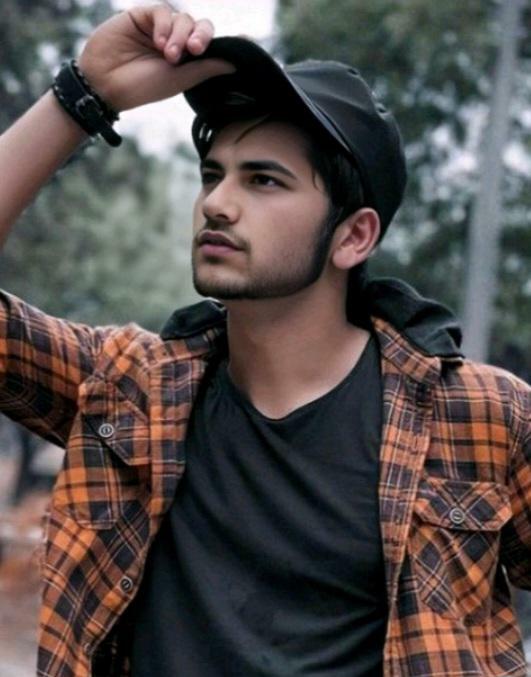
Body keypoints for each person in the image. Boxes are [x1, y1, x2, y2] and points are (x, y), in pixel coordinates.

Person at [0, 5, 529, 677]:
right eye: (212, 174)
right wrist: (81, 95)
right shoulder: (127, 389)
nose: (217, 203)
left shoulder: (481, 418)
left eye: (263, 180)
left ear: (353, 236)